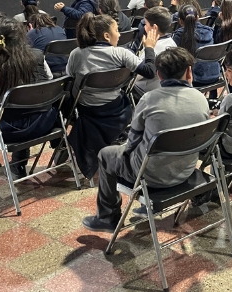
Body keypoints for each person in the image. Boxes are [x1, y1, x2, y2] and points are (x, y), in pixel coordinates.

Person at [81, 48, 210, 232]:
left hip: (150, 176)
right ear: (189, 71)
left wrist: (124, 152)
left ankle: (107, 217)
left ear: (158, 75)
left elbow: (133, 140)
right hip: (186, 170)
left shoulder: (150, 99)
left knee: (105, 154)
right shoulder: (200, 98)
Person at [64, 13, 159, 179]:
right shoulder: (121, 54)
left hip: (88, 112)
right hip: (117, 112)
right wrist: (149, 48)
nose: (120, 34)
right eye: (117, 30)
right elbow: (150, 71)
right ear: (106, 36)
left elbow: (70, 79)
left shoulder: (76, 54)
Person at [0, 18, 54, 186]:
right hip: (42, 124)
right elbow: (48, 81)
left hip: (6, 130)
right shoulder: (37, 55)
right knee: (21, 109)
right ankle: (18, 164)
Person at [133, 7, 178, 95]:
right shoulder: (172, 43)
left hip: (148, 89)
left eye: (146, 24)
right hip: (166, 88)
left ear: (154, 27)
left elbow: (138, 75)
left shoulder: (153, 49)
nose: (144, 27)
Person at [173, 4, 220, 86]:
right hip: (215, 75)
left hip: (194, 79)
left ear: (180, 21)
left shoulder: (179, 35)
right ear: (198, 18)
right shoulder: (210, 31)